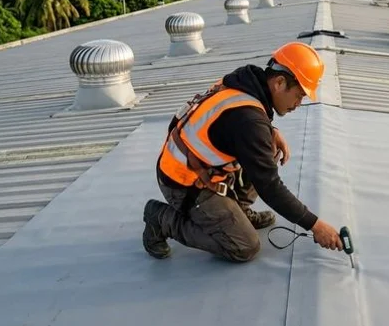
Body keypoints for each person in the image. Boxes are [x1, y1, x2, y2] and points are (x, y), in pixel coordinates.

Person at [141, 41, 343, 262]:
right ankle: (161, 219)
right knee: (244, 246)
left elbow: (232, 124)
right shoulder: (249, 121)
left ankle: (238, 210)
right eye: (299, 95)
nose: (298, 103)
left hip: (197, 166)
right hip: (183, 183)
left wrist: (271, 131)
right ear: (279, 82)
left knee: (267, 148)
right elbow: (270, 187)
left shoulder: (247, 81)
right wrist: (315, 225)